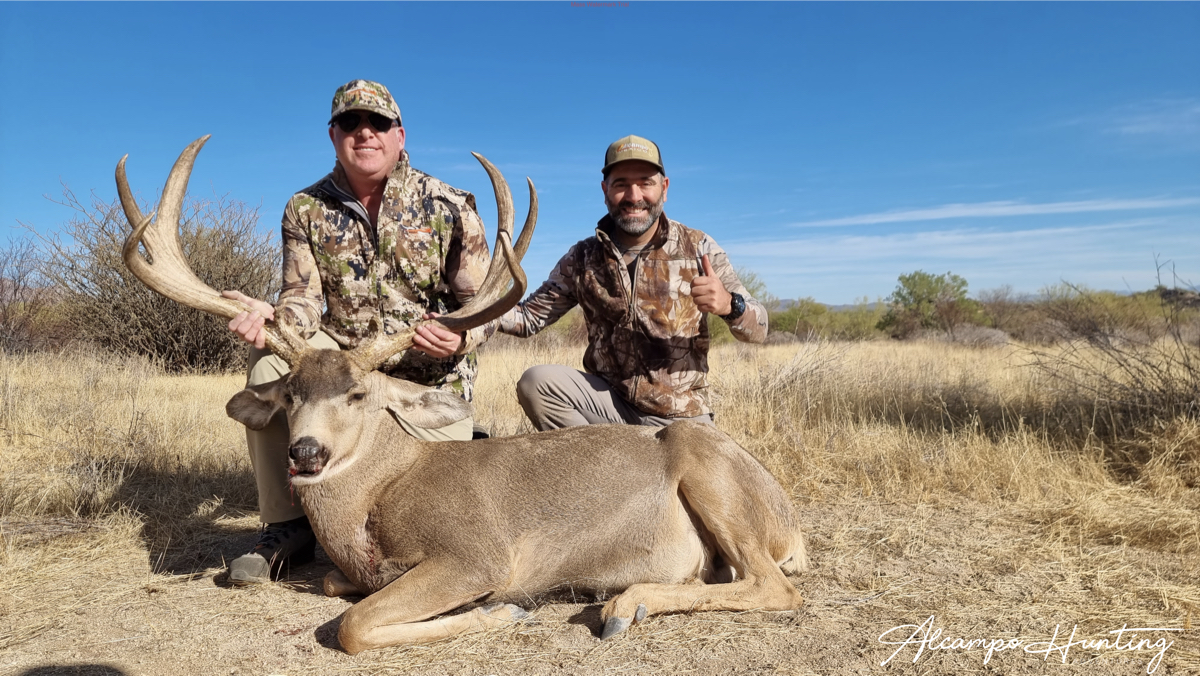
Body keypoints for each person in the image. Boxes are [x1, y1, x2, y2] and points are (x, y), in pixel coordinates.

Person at [222, 79, 493, 584]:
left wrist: (462, 337)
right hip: (342, 378)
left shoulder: (450, 204)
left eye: (378, 123)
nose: (364, 132)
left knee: (426, 507)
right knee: (270, 359)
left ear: (399, 135)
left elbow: (484, 306)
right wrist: (274, 323)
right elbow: (302, 298)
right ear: (333, 135)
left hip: (424, 386)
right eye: (350, 122)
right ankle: (287, 524)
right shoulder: (305, 208)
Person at [497, 135, 767, 430]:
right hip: (610, 408)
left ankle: (618, 456)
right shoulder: (583, 257)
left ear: (664, 188)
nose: (634, 196)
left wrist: (730, 305)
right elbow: (527, 318)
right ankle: (594, 458)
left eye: (645, 183)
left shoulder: (698, 247)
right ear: (605, 191)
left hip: (681, 418)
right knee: (537, 384)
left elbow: (760, 328)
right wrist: (471, 320)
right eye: (621, 184)